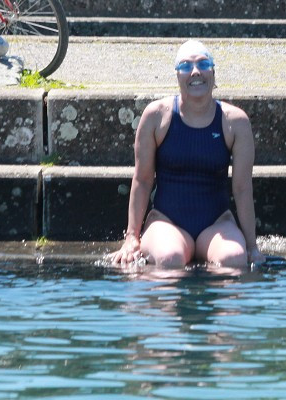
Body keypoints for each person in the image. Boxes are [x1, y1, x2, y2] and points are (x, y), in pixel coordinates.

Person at [108, 40, 264, 268]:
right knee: (170, 258)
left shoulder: (235, 122)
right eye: (185, 66)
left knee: (233, 260)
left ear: (213, 71)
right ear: (177, 75)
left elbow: (242, 188)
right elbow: (142, 180)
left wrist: (251, 247)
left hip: (217, 224)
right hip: (166, 222)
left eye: (203, 64)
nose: (195, 72)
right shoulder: (156, 116)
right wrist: (131, 237)